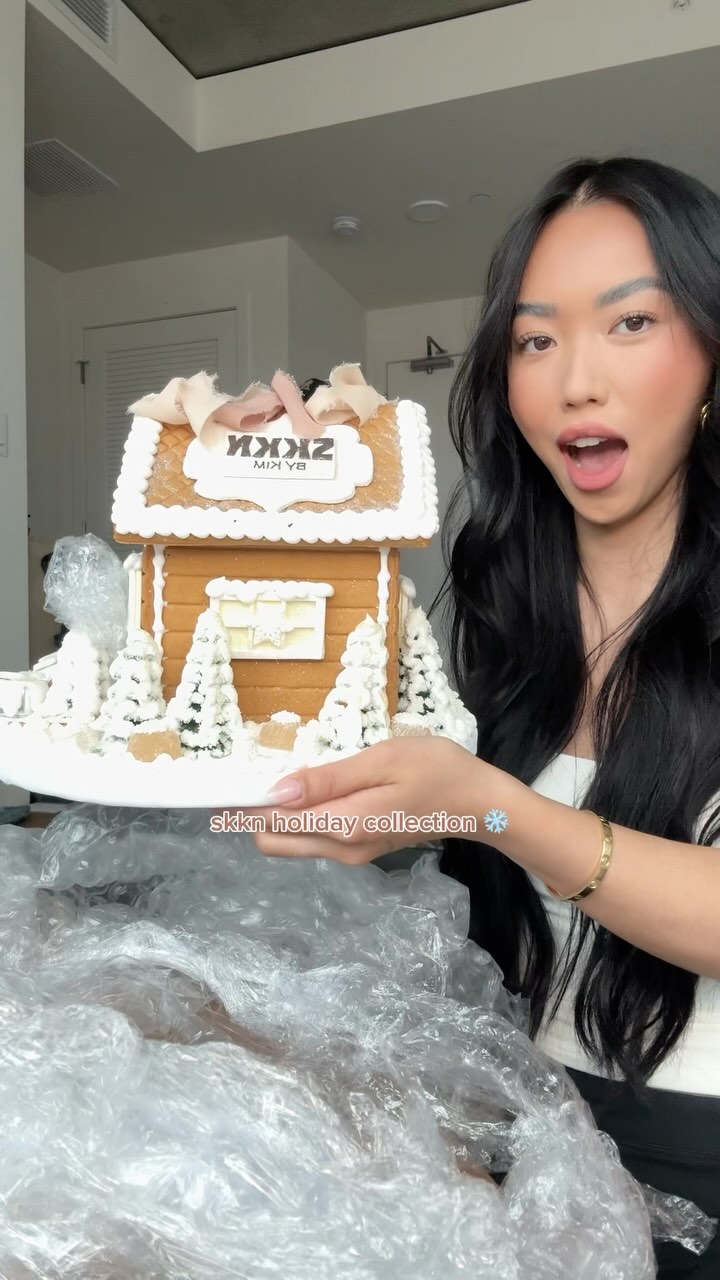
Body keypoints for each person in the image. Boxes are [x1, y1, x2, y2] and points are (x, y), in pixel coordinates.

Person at [250, 157, 720, 1277]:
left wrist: (495, 810)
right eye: (536, 338)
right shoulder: (504, 596)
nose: (576, 381)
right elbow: (367, 788)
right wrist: (276, 491)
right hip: (522, 1120)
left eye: (632, 322)